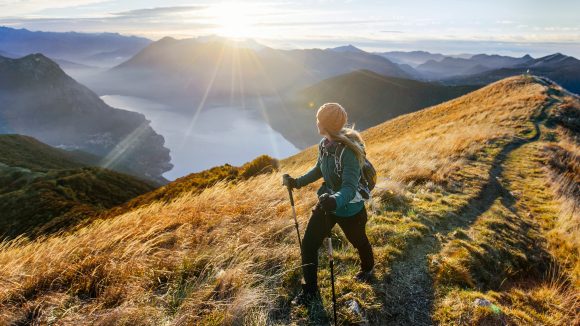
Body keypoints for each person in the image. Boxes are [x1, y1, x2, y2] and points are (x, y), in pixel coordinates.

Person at [282, 102, 375, 305]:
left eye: (319, 119)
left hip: (349, 208)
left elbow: (350, 187)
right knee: (308, 245)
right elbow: (319, 169)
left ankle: (368, 268)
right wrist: (296, 182)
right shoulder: (324, 145)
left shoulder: (348, 152)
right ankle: (310, 291)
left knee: (358, 241)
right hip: (328, 204)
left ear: (324, 124)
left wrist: (335, 200)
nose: (316, 122)